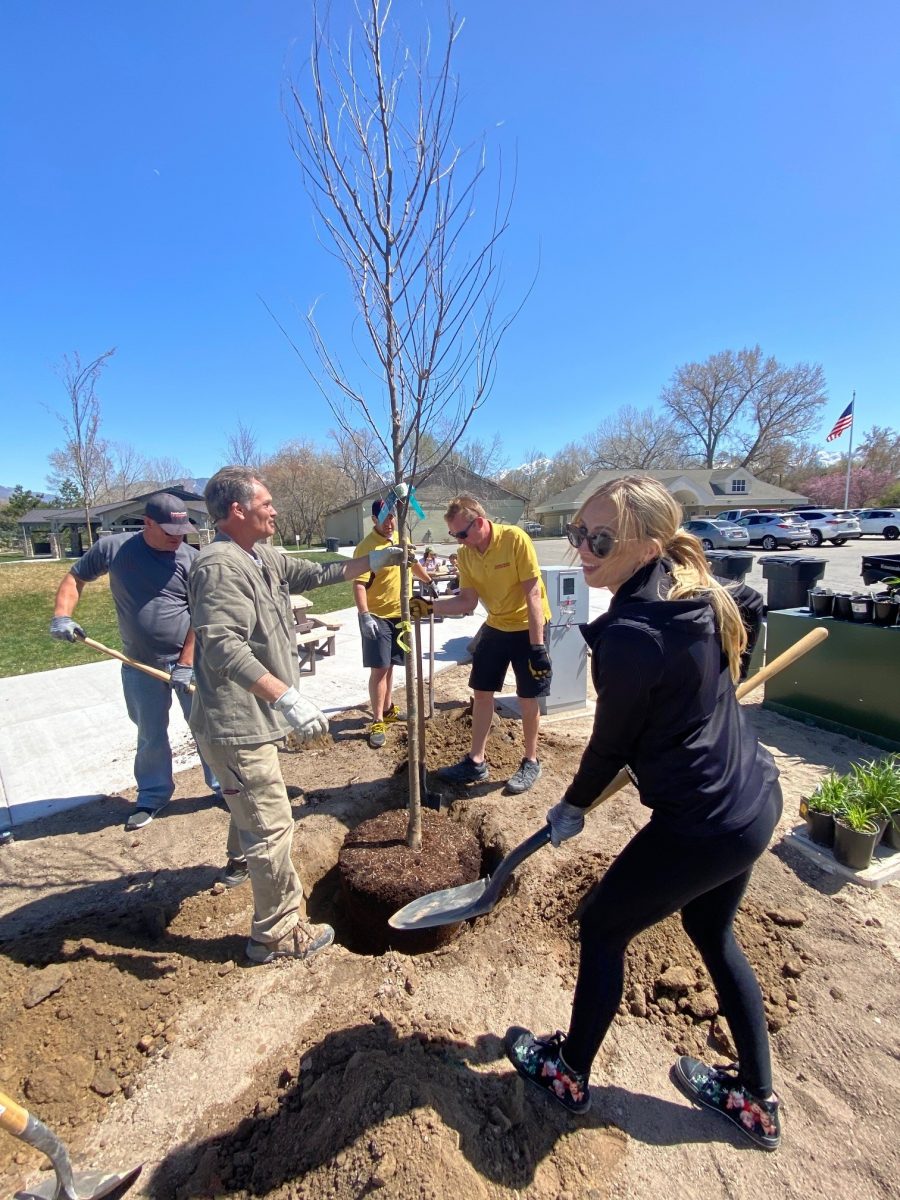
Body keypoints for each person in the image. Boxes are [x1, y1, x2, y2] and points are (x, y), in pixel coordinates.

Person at [503, 475, 783, 1151]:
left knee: (600, 926)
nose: (581, 548)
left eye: (599, 539)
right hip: (753, 801)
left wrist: (571, 807)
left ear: (647, 545)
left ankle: (569, 1074)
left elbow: (610, 747)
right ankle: (756, 1101)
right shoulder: (695, 587)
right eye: (577, 531)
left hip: (702, 822)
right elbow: (750, 601)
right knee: (712, 932)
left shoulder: (631, 636)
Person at [188, 467, 408, 965]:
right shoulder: (221, 566)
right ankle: (276, 935)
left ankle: (238, 862)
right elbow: (222, 646)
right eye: (266, 502)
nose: (275, 509)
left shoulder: (259, 555)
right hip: (237, 723)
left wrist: (371, 560)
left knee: (254, 807)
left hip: (252, 724)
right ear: (237, 510)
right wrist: (285, 696)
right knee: (271, 825)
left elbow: (313, 573)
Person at [49, 492, 221, 832]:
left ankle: (223, 787)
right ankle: (153, 795)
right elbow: (75, 578)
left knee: (206, 727)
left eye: (183, 532)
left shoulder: (191, 559)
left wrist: (186, 662)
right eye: (171, 532)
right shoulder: (114, 549)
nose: (178, 538)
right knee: (150, 734)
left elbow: (202, 616)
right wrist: (62, 616)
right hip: (138, 663)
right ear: (147, 523)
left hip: (190, 663)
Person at [409, 494, 552, 795]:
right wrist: (429, 606)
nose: (459, 541)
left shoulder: (515, 539)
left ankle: (531, 760)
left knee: (528, 697)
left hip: (528, 626)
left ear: (481, 521)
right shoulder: (467, 555)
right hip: (497, 625)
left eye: (462, 534)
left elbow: (534, 595)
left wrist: (537, 648)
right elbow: (467, 601)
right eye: (454, 535)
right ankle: (476, 761)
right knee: (482, 692)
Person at [355, 499, 433, 748]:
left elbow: (413, 563)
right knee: (379, 668)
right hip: (377, 617)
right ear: (374, 520)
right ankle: (377, 720)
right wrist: (364, 615)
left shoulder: (401, 539)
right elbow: (358, 583)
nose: (390, 523)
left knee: (390, 666)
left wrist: (428, 581)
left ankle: (387, 709)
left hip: (401, 615)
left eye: (393, 518)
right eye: (386, 518)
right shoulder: (367, 548)